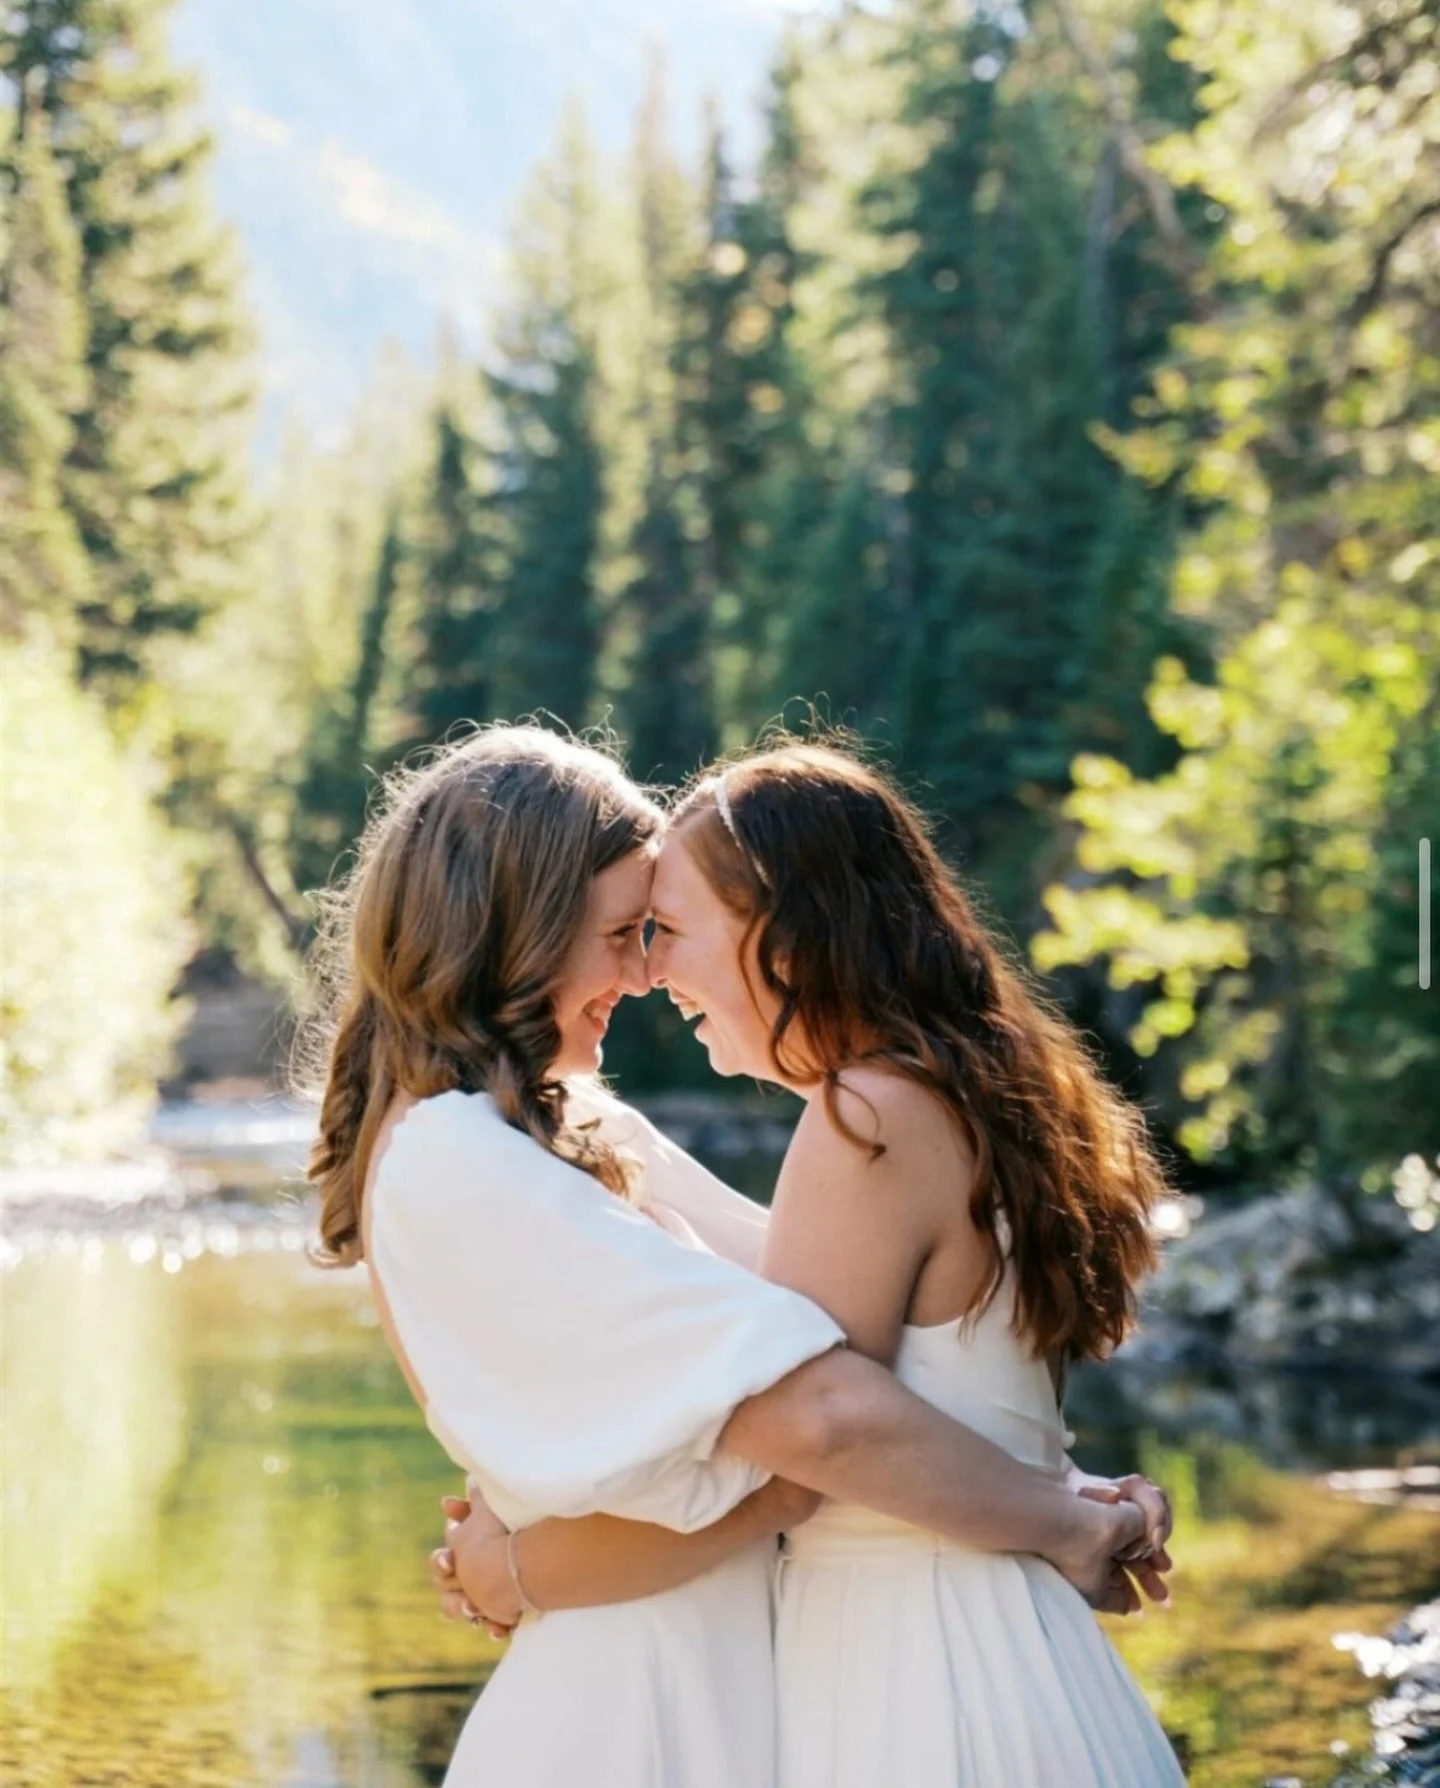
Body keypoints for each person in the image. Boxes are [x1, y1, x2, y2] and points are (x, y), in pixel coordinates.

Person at [306, 724, 1160, 1788]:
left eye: (656, 930)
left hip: (758, 1678)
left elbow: (851, 1367)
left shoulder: (582, 1133)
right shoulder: (456, 1158)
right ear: (516, 927)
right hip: (644, 1709)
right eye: (627, 930)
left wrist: (1062, 1495)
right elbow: (809, 1424)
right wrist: (1064, 1515)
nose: (648, 971)